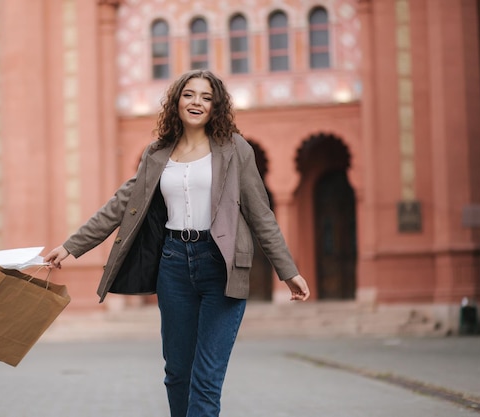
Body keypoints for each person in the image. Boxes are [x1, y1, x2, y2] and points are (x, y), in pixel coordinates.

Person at [44, 69, 310, 417]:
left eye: (205, 96)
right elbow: (121, 203)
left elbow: (261, 214)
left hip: (221, 267)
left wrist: (287, 270)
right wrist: (71, 246)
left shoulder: (235, 150)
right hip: (173, 266)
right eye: (189, 94)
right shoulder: (157, 153)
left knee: (206, 379)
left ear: (216, 106)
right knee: (177, 374)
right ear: (176, 101)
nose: (196, 102)